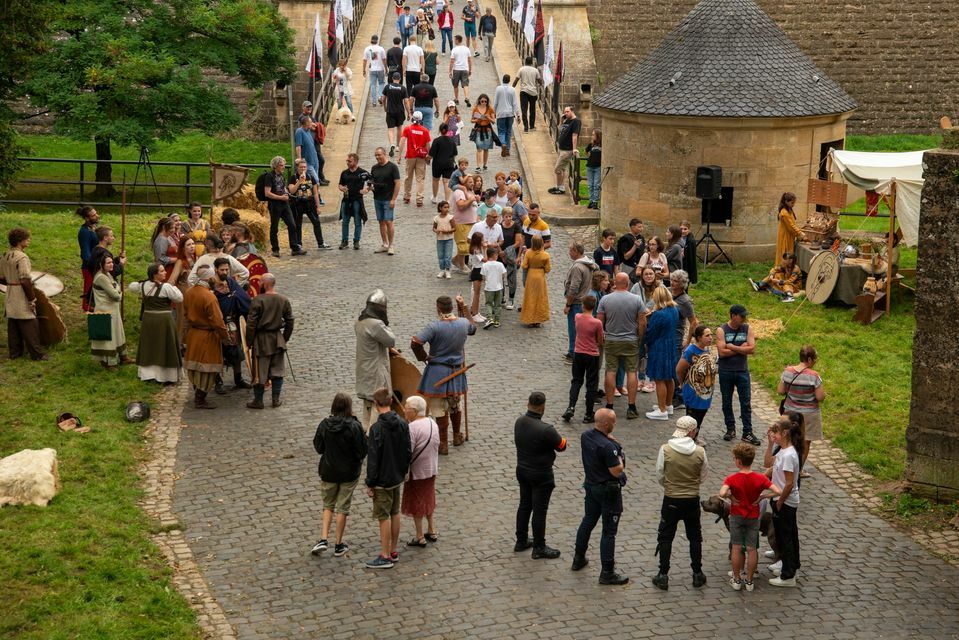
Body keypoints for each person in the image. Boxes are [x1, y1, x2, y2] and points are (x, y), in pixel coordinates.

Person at [572, 407, 629, 584]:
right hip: (608, 490)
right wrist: (620, 454)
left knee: (588, 520)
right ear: (605, 424)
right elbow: (616, 470)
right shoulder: (608, 446)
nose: (615, 424)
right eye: (613, 421)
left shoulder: (586, 436)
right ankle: (607, 571)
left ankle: (578, 557)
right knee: (609, 532)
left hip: (591, 486)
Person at [410, 295, 473, 454]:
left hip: (437, 371)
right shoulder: (463, 323)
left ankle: (443, 444)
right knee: (454, 404)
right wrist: (464, 307)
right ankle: (457, 436)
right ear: (452, 307)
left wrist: (423, 357)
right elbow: (472, 327)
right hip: (457, 371)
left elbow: (416, 342)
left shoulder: (434, 327)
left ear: (438, 308)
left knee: (439, 408)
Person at [653, 415, 708, 591]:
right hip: (692, 499)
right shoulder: (700, 451)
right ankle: (697, 573)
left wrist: (670, 486)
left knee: (666, 535)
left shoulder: (665, 449)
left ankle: (663, 574)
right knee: (694, 536)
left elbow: (660, 474)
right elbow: (703, 476)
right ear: (692, 432)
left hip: (671, 499)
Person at [311, 392, 368, 558]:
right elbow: (362, 450)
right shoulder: (354, 426)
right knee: (343, 507)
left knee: (328, 505)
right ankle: (338, 543)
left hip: (328, 471)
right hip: (349, 472)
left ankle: (323, 538)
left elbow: (319, 447)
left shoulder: (324, 425)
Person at [720, 443, 781, 591]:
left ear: (738, 461)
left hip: (736, 516)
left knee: (736, 547)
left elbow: (722, 494)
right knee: (752, 549)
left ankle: (736, 579)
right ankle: (749, 581)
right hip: (753, 517)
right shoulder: (760, 478)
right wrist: (762, 497)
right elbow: (777, 491)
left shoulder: (732, 478)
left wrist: (731, 496)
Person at [513, 391, 567, 559]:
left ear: (528, 403)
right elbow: (562, 445)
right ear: (543, 407)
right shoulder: (546, 430)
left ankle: (521, 540)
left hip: (522, 470)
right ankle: (539, 547)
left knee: (524, 505)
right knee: (539, 510)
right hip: (541, 474)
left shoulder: (519, 421)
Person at [364, 387, 412, 569]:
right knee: (395, 512)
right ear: (390, 401)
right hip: (396, 477)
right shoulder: (402, 423)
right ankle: (393, 550)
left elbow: (373, 459)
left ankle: (384, 555)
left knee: (383, 516)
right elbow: (408, 450)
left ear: (376, 404)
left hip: (382, 480)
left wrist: (370, 482)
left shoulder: (377, 429)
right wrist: (403, 471)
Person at [596, 272, 645, 418]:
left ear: (615, 283)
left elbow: (599, 322)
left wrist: (602, 338)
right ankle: (631, 406)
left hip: (611, 340)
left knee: (610, 371)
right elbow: (642, 322)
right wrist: (639, 338)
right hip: (630, 340)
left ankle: (610, 405)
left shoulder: (605, 299)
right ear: (628, 283)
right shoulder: (636, 299)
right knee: (631, 372)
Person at [244, 273, 294, 409]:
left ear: (265, 284)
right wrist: (284, 339)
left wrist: (248, 342)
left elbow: (251, 324)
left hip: (261, 340)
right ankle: (275, 400)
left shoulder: (258, 300)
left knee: (260, 372)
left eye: (260, 282)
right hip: (277, 339)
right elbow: (290, 321)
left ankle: (258, 401)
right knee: (277, 370)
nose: (258, 284)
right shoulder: (283, 300)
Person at [182, 265, 228, 408]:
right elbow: (217, 321)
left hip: (193, 334)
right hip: (207, 336)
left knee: (196, 369)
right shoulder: (209, 297)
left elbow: (185, 315)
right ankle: (200, 399)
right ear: (209, 278)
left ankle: (198, 396)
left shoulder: (189, 293)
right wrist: (225, 336)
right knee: (206, 370)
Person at [764, 417, 802, 587]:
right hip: (780, 498)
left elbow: (789, 483)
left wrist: (780, 501)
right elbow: (768, 465)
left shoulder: (788, 455)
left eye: (776, 432)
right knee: (790, 534)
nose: (773, 434)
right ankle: (792, 566)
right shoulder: (783, 451)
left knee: (784, 537)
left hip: (784, 501)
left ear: (785, 433)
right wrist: (770, 443)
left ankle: (788, 575)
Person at [129, 263, 182, 383]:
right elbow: (179, 298)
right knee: (165, 346)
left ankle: (148, 375)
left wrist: (142, 283)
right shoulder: (166, 287)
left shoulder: (142, 285)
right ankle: (166, 376)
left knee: (149, 346)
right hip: (164, 321)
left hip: (148, 319)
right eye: (162, 271)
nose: (165, 273)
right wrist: (174, 288)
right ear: (155, 275)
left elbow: (132, 286)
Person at [0, 228, 48, 360]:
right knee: (30, 323)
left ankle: (15, 353)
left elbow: (0, 277)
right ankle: (37, 354)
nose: (29, 240)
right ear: (20, 241)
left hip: (10, 291)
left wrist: (11, 282)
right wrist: (32, 298)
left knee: (13, 323)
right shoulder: (22, 257)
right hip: (20, 293)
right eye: (27, 239)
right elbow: (25, 279)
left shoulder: (5, 255)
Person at [355, 289, 398, 429]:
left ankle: (365, 433)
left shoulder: (360, 321)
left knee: (368, 405)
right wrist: (385, 323)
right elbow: (390, 340)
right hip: (376, 371)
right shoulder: (376, 324)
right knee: (377, 406)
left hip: (364, 369)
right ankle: (373, 436)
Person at [778, 345, 826, 470]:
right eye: (815, 359)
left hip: (789, 412)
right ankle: (798, 471)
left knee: (789, 439)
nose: (815, 361)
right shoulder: (814, 376)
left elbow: (780, 390)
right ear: (809, 360)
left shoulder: (787, 371)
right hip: (808, 415)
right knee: (805, 442)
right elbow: (820, 397)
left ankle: (784, 466)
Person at [717, 304, 759, 445]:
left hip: (742, 371)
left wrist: (732, 347)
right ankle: (730, 429)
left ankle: (747, 432)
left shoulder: (748, 328)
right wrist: (741, 348)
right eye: (742, 316)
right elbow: (721, 353)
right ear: (733, 315)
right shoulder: (722, 330)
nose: (744, 318)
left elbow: (752, 349)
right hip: (726, 371)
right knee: (726, 402)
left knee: (745, 403)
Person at [402, 395, 440, 548]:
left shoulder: (412, 428)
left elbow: (408, 451)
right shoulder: (432, 423)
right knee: (429, 498)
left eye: (407, 408)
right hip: (431, 468)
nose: (404, 410)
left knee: (416, 502)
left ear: (415, 411)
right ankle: (431, 530)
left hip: (416, 471)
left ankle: (419, 536)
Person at [211, 257, 252, 395]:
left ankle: (238, 378)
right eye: (222, 269)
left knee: (236, 352)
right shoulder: (210, 284)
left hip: (232, 322)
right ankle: (218, 382)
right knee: (217, 353)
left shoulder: (231, 281)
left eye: (227, 269)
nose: (225, 272)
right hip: (217, 325)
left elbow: (242, 297)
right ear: (216, 269)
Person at [563, 295, 604, 424]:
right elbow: (599, 340)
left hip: (578, 353)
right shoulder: (597, 323)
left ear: (583, 306)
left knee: (576, 381)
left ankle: (571, 406)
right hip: (592, 355)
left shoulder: (577, 317)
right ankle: (588, 413)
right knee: (591, 383)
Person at [644, 286, 679, 420]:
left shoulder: (658, 314)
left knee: (659, 378)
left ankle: (662, 410)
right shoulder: (674, 310)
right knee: (669, 377)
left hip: (659, 347)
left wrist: (646, 341)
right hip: (670, 345)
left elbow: (651, 332)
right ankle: (668, 405)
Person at [90, 254, 130, 370]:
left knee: (118, 334)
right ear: (101, 264)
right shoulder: (101, 277)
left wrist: (117, 290)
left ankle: (123, 357)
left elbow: (115, 288)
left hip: (113, 310)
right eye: (108, 263)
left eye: (112, 262)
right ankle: (108, 362)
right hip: (105, 311)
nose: (111, 264)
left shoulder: (107, 274)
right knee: (108, 339)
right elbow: (115, 295)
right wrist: (120, 292)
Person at [263, 156, 307, 258]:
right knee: (274, 227)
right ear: (275, 166)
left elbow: (283, 188)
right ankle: (275, 249)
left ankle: (294, 247)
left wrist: (287, 194)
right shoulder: (269, 176)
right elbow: (267, 193)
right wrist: (280, 197)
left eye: (283, 165)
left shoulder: (282, 176)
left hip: (284, 203)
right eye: (281, 165)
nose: (283, 167)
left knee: (292, 224)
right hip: (275, 204)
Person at [676, 325, 717, 428]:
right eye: (707, 335)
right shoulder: (691, 351)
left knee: (700, 416)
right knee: (692, 419)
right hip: (694, 392)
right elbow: (679, 369)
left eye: (711, 335)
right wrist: (682, 383)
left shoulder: (706, 350)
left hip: (705, 393)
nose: (710, 338)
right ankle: (689, 440)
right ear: (699, 338)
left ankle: (695, 438)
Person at [563, 242, 598, 362]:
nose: (569, 252)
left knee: (574, 328)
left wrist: (568, 304)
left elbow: (574, 288)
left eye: (571, 250)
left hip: (576, 302)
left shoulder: (578, 267)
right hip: (584, 299)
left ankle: (573, 352)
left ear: (576, 252)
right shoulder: (588, 264)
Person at [669, 269, 698, 407]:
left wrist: (687, 340)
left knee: (676, 367)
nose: (673, 283)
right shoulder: (667, 293)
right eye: (672, 280)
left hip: (676, 337)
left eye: (676, 281)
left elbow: (693, 321)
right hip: (665, 335)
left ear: (682, 284)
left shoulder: (685, 301)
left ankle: (679, 395)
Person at [288, 159, 331, 251]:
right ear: (297, 168)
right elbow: (291, 191)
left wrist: (318, 206)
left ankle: (321, 243)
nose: (303, 169)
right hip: (298, 203)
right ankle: (298, 244)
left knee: (316, 222)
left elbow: (315, 193)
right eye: (301, 167)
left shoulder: (311, 177)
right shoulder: (293, 177)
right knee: (298, 224)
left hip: (309, 202)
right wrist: (299, 181)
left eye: (304, 167)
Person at [630, 265, 658, 393]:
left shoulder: (660, 288)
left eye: (651, 274)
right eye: (646, 274)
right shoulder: (636, 287)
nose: (648, 276)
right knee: (640, 352)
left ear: (654, 275)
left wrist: (652, 311)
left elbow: (663, 303)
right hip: (639, 323)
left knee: (652, 352)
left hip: (653, 324)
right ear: (642, 276)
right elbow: (630, 302)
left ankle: (652, 380)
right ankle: (641, 379)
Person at [369, 147, 402, 255]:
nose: (377, 157)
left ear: (385, 154)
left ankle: (391, 245)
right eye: (376, 155)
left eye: (379, 155)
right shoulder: (374, 168)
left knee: (389, 221)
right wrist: (369, 188)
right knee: (381, 221)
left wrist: (393, 199)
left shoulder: (392, 167)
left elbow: (397, 183)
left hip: (388, 199)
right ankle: (385, 244)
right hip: (377, 198)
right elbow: (372, 182)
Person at [398, 110, 432, 210]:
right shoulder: (425, 130)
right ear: (421, 119)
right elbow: (428, 145)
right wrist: (428, 156)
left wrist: (399, 155)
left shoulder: (407, 129)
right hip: (421, 157)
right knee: (420, 178)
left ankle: (407, 196)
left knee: (408, 176)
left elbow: (402, 142)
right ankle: (419, 199)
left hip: (410, 156)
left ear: (413, 118)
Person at [338, 153, 371, 250]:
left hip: (357, 200)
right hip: (346, 200)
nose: (347, 163)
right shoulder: (344, 173)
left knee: (357, 221)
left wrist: (367, 190)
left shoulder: (362, 172)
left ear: (356, 161)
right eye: (347, 161)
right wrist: (342, 188)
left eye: (349, 161)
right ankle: (344, 241)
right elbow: (340, 184)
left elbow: (371, 181)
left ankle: (356, 241)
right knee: (345, 221)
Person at [168, 236, 197, 347]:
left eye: (193, 244)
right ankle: (179, 344)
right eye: (188, 245)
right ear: (183, 248)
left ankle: (188, 343)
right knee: (183, 318)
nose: (192, 247)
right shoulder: (180, 262)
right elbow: (172, 280)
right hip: (183, 292)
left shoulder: (195, 259)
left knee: (192, 318)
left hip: (194, 293)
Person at [548, 106, 581, 195]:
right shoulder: (567, 120)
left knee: (557, 169)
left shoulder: (576, 121)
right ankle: (560, 187)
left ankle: (559, 187)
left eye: (567, 112)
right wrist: (561, 121)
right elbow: (560, 129)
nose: (565, 113)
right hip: (561, 148)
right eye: (565, 112)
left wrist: (574, 149)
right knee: (562, 169)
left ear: (572, 111)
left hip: (567, 149)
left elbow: (574, 135)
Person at [520, 235, 551, 327]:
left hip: (531, 276)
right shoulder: (545, 255)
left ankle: (530, 319)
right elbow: (548, 269)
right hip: (540, 276)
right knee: (540, 297)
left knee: (530, 297)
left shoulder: (528, 253)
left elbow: (524, 266)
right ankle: (538, 320)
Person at [451, 174, 479, 274]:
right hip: (462, 223)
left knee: (469, 245)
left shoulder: (469, 191)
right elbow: (461, 206)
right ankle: (462, 265)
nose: (472, 184)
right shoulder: (459, 192)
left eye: (473, 182)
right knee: (463, 246)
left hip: (471, 222)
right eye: (470, 182)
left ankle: (456, 260)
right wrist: (471, 200)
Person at [76, 206, 100, 311]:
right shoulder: (84, 232)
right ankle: (89, 311)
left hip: (98, 265)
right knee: (89, 291)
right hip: (90, 267)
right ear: (87, 218)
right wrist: (93, 266)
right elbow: (85, 253)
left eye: (96, 213)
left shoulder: (94, 228)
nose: (97, 216)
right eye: (93, 215)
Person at [427, 122, 458, 203]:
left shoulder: (436, 141)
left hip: (437, 164)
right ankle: (447, 200)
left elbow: (431, 155)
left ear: (440, 130)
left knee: (435, 180)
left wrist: (427, 160)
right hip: (449, 163)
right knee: (447, 182)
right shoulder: (452, 141)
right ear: (447, 130)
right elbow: (455, 154)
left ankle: (434, 197)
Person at [381, 72, 409, 157]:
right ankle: (397, 145)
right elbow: (406, 101)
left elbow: (383, 98)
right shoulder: (403, 88)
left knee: (390, 129)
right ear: (400, 79)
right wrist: (409, 113)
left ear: (392, 78)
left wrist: (385, 107)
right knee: (399, 128)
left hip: (390, 110)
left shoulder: (387, 87)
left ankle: (392, 143)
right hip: (400, 111)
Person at [493, 75, 519, 158]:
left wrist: (493, 112)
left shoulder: (498, 89)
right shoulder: (513, 90)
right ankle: (507, 149)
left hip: (500, 113)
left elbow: (496, 102)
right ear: (509, 80)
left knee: (501, 131)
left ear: (502, 80)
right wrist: (518, 115)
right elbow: (515, 103)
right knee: (508, 131)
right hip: (510, 114)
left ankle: (503, 144)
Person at [480, 246, 507, 329]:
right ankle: (497, 321)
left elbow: (483, 277)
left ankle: (490, 318)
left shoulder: (485, 265)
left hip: (489, 288)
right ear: (494, 255)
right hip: (498, 288)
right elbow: (503, 275)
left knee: (488, 303)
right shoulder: (500, 264)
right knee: (498, 305)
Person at [512, 57, 541, 132]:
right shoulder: (535, 70)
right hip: (533, 92)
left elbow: (516, 80)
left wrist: (512, 88)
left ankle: (526, 127)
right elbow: (540, 81)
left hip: (524, 91)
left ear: (525, 62)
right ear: (531, 63)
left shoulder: (521, 69)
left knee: (524, 109)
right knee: (532, 109)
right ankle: (532, 126)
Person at [775, 192, 805, 263]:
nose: (793, 205)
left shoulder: (789, 210)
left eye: (794, 203)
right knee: (785, 253)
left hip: (789, 235)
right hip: (785, 237)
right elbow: (791, 226)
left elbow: (793, 224)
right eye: (792, 203)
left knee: (788, 254)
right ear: (786, 202)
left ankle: (788, 269)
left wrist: (799, 231)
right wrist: (800, 234)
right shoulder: (784, 213)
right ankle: (782, 270)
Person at [470, 93, 495, 171]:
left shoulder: (490, 109)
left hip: (487, 130)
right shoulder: (475, 109)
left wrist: (489, 118)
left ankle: (485, 164)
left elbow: (494, 121)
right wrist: (477, 120)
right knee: (479, 148)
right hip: (478, 130)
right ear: (479, 101)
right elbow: (471, 120)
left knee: (486, 148)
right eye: (482, 101)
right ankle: (478, 166)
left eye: (485, 101)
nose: (484, 103)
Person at [616, 219, 646, 283]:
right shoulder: (625, 239)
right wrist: (635, 246)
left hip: (639, 267)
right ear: (632, 227)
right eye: (639, 227)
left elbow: (642, 252)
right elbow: (626, 256)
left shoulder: (641, 238)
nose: (641, 229)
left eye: (642, 227)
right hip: (628, 266)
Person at [295, 115, 322, 184]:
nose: (312, 123)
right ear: (306, 123)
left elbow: (315, 126)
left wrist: (311, 124)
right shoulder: (299, 131)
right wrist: (299, 158)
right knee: (316, 181)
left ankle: (315, 194)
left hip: (314, 160)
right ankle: (316, 194)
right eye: (310, 122)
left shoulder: (308, 130)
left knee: (314, 181)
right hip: (307, 162)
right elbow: (298, 146)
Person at [363, 35, 387, 107]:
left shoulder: (367, 49)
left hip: (372, 69)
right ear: (377, 40)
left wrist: (363, 70)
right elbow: (384, 59)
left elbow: (364, 60)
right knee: (381, 83)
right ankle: (380, 96)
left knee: (373, 85)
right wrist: (386, 68)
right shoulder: (381, 49)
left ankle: (374, 101)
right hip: (380, 69)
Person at [433, 201, 455, 278]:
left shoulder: (450, 217)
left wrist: (447, 231)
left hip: (449, 239)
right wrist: (437, 231)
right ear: (440, 208)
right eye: (445, 207)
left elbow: (454, 228)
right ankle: (442, 269)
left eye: (448, 207)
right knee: (440, 255)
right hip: (440, 239)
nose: (447, 209)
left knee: (448, 256)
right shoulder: (436, 218)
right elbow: (434, 228)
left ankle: (447, 270)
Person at [448, 35, 473, 106]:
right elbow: (469, 60)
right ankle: (467, 97)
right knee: (465, 84)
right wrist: (470, 70)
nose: (454, 41)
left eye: (455, 39)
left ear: (457, 40)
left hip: (456, 69)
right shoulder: (466, 49)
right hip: (465, 69)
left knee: (455, 85)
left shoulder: (454, 50)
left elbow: (452, 61)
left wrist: (450, 71)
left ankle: (456, 99)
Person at [584, 129, 603, 209]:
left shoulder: (602, 145)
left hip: (598, 167)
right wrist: (589, 157)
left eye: (593, 135)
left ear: (597, 136)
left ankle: (595, 202)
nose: (592, 136)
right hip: (590, 166)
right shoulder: (591, 145)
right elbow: (586, 151)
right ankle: (591, 200)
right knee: (590, 185)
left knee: (596, 185)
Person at [679, 220, 698, 284]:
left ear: (689, 230)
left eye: (685, 229)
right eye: (681, 229)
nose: (683, 231)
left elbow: (691, 258)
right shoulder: (676, 238)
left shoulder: (691, 241)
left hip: (686, 266)